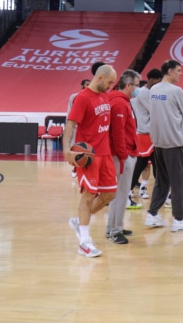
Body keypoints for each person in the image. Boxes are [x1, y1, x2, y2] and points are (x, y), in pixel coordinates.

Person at [65, 64, 118, 258]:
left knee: (110, 194)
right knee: (88, 196)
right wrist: (66, 150)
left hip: (105, 153)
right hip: (89, 156)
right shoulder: (83, 98)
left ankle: (79, 222)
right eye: (110, 82)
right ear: (100, 78)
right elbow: (70, 124)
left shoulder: (104, 95)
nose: (111, 86)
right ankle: (84, 242)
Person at [144, 59, 183, 232]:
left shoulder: (154, 89)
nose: (181, 73)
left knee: (162, 180)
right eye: (179, 70)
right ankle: (178, 219)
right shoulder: (176, 91)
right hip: (174, 141)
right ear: (170, 71)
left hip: (158, 141)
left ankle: (152, 214)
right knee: (179, 181)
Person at [105, 69, 141, 244]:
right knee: (121, 194)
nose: (138, 89)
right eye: (137, 85)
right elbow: (117, 133)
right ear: (128, 85)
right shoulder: (119, 104)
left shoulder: (122, 101)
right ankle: (115, 230)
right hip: (122, 155)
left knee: (119, 193)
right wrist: (123, 155)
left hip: (124, 153)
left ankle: (113, 226)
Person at [130, 69, 162, 201]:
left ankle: (143, 188)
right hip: (145, 133)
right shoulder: (143, 93)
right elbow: (155, 110)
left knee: (152, 164)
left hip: (150, 132)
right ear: (152, 80)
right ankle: (129, 189)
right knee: (143, 164)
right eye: (158, 82)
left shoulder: (150, 92)